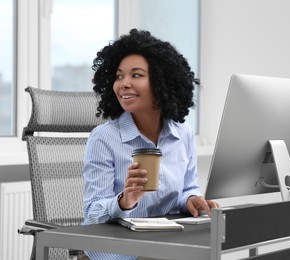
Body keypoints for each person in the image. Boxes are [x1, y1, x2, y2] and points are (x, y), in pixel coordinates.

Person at [82, 29, 219, 260]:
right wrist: (124, 200)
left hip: (164, 245)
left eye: (136, 75)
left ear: (161, 81)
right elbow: (93, 213)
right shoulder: (104, 138)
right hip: (119, 249)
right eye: (118, 76)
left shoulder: (182, 135)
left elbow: (186, 189)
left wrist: (191, 200)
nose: (123, 84)